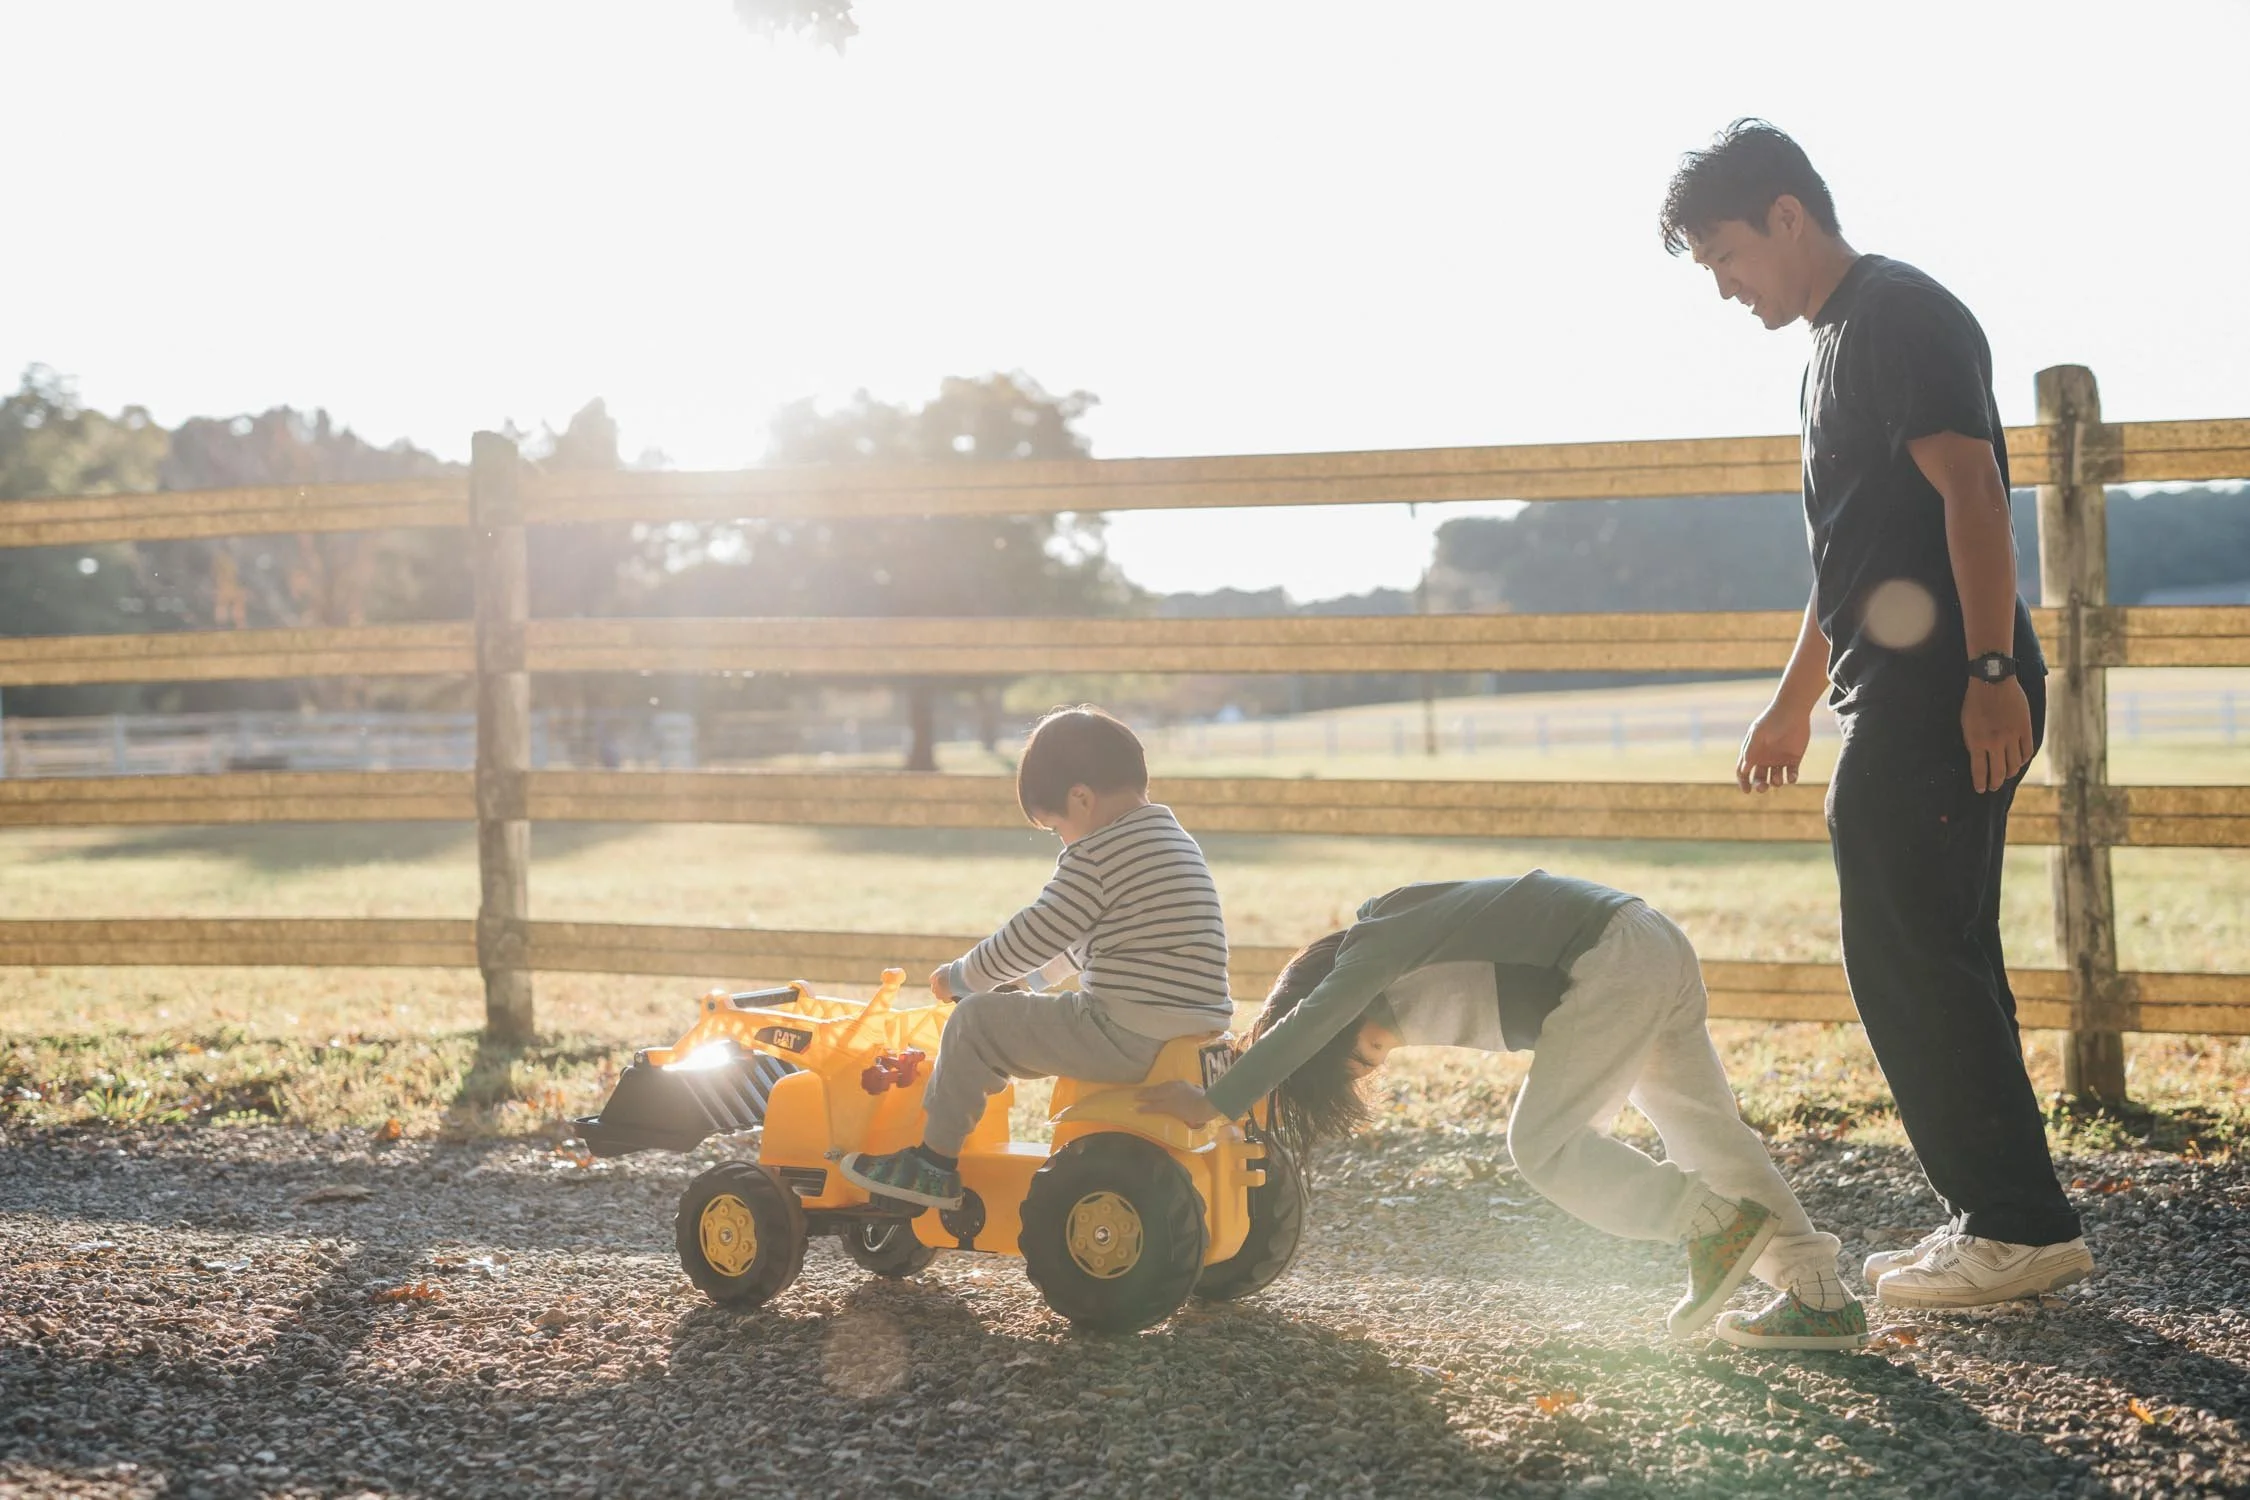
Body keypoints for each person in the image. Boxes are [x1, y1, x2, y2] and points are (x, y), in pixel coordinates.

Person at [1658, 120, 2091, 1308]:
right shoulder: (1834, 342)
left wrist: (1991, 672)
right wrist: (1792, 706)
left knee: (1908, 962)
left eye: (1728, 258)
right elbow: (1851, 563)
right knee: (1938, 957)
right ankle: (2010, 1224)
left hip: (1948, 691)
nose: (1728, 288)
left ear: (1787, 215)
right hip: (1900, 693)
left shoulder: (1898, 314)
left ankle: (2014, 1227)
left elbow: (1975, 495)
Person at [1139, 874, 1868, 1351]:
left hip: (1614, 955)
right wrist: (1245, 1060)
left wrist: (1212, 1103)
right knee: (1706, 1130)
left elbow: (1309, 1018)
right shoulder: (1391, 972)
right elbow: (1292, 1031)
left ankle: (1709, 1222)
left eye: (1353, 1053)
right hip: (1646, 943)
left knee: (1544, 1144)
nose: (1371, 1063)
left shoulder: (1371, 946)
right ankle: (1820, 1297)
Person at [838, 706, 1232, 1210]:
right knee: (1007, 1010)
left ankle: (932, 1164)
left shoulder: (1097, 853)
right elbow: (1084, 939)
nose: (1062, 840)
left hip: (1125, 1034)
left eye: (1055, 828)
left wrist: (961, 978)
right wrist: (1035, 984)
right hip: (1199, 1032)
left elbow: (1034, 933)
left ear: (1081, 799)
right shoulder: (1172, 842)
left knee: (975, 1022)